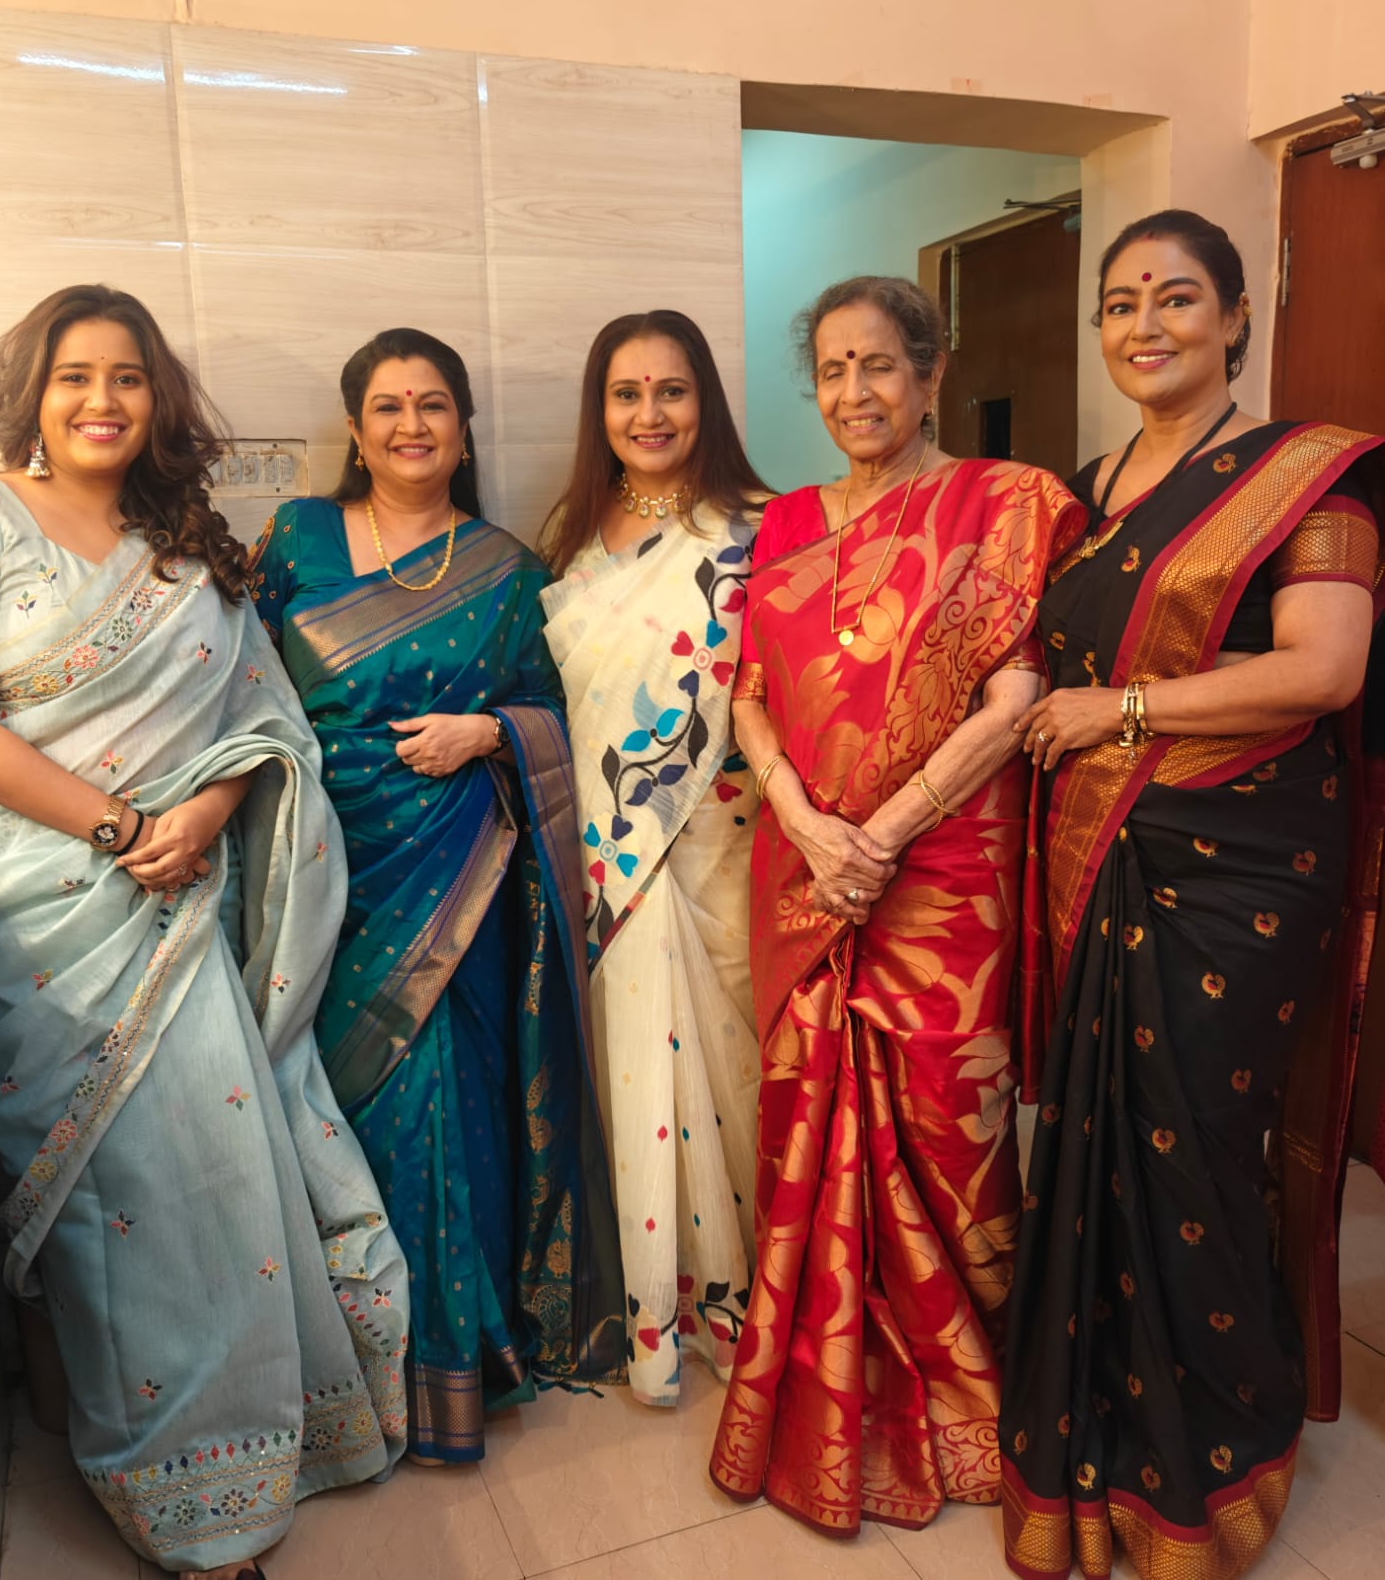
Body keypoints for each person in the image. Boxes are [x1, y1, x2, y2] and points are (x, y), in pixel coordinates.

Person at [0, 285, 410, 1580]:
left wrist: (208, 810)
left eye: (127, 376)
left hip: (178, 891)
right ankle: (174, 1484)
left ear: (158, 396)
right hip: (42, 911)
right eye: (75, 375)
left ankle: (244, 1453)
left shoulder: (185, 541)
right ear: (32, 389)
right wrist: (129, 825)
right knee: (115, 1199)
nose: (101, 399)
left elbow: (263, 717)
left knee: (211, 1174)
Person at [998, 210, 1383, 1580]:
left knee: (1200, 1148)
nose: (1142, 324)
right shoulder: (1082, 491)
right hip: (1101, 851)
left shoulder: (1311, 479)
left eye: (1174, 298)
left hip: (1241, 865)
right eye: (1119, 303)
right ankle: (1098, 1417)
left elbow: (1323, 670)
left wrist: (1127, 707)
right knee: (1095, 1142)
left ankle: (1219, 1448)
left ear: (1233, 317)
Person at [707, 275, 1083, 1534]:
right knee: (810, 1105)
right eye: (831, 372)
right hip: (808, 869)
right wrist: (812, 826)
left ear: (930, 371)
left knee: (950, 1121)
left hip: (944, 873)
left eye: (879, 366)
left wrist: (884, 829)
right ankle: (829, 1374)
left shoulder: (1007, 504)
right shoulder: (786, 522)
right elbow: (747, 689)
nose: (854, 394)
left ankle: (981, 1383)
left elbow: (1016, 697)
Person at [253, 327, 626, 1465]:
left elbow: (558, 716)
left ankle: (452, 1366)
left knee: (443, 1114)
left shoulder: (509, 569)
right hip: (319, 866)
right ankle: (347, 1376)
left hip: (455, 872)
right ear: (356, 428)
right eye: (387, 406)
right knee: (334, 1112)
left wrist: (488, 732)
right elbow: (243, 681)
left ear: (463, 430)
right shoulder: (299, 538)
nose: (412, 425)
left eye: (434, 406)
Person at [538, 311, 771, 1407]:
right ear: (600, 413)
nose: (649, 414)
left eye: (670, 391)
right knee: (640, 1065)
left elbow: (787, 701)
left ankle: (753, 1293)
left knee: (734, 1067)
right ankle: (659, 1310)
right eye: (626, 394)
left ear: (705, 401)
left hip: (725, 842)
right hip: (608, 850)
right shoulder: (569, 538)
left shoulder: (764, 532)